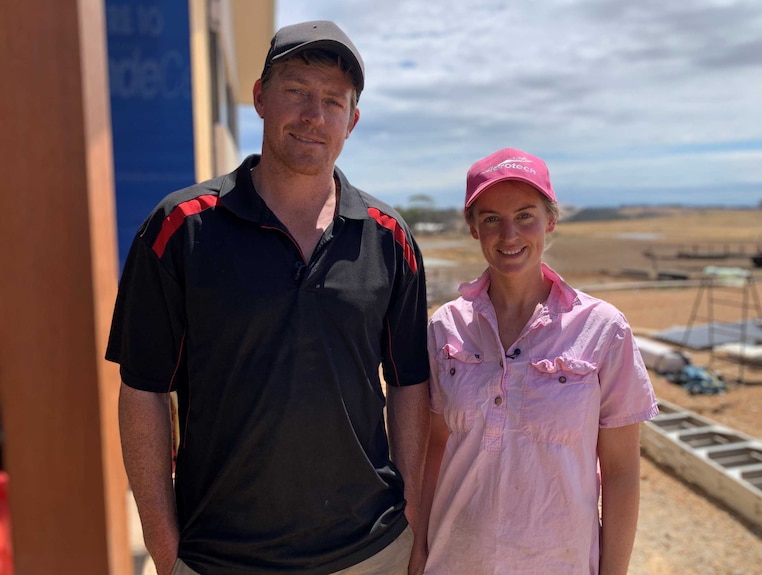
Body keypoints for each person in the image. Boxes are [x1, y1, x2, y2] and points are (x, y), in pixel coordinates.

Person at [107, 20, 430, 575]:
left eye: (333, 101)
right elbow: (142, 392)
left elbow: (409, 386)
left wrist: (414, 522)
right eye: (297, 91)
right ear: (259, 97)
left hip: (369, 552)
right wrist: (165, 550)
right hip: (220, 556)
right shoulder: (180, 228)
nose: (314, 115)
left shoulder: (388, 237)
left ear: (351, 121)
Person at [413, 149, 658, 575]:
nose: (509, 235)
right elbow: (434, 448)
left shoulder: (603, 330)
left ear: (551, 220)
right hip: (453, 560)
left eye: (525, 215)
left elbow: (620, 472)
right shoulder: (445, 328)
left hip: (558, 561)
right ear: (473, 228)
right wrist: (419, 549)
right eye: (491, 218)